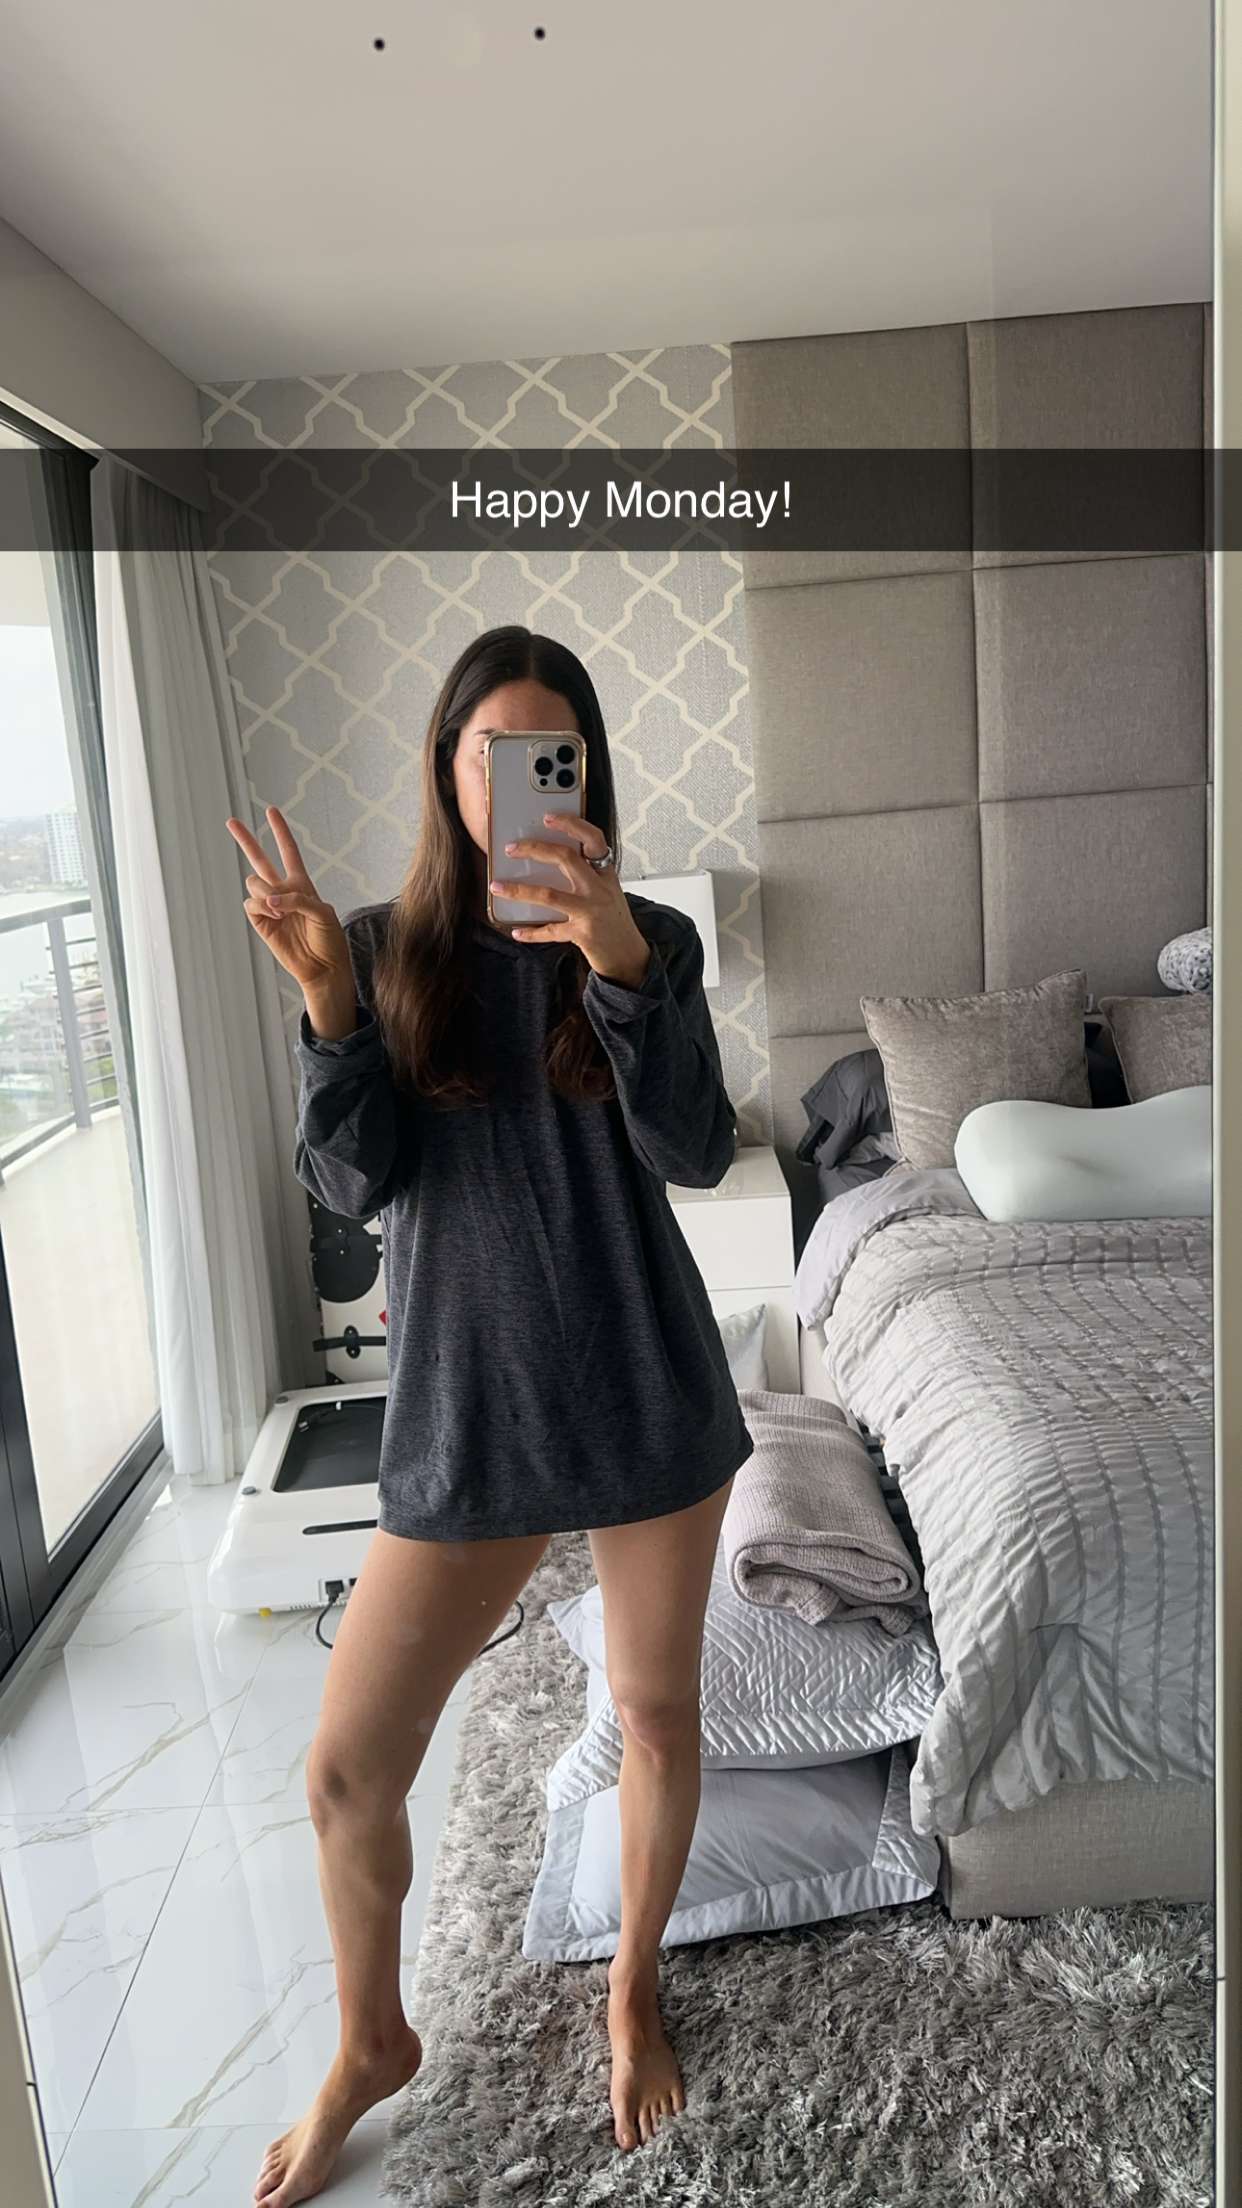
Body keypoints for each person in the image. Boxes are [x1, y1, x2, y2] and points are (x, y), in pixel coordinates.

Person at [226, 624, 754, 2207]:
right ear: (449, 773)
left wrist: (618, 964)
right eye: (493, 754)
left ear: (585, 772)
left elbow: (695, 1152)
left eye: (552, 755)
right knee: (344, 1772)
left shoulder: (649, 937)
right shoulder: (380, 948)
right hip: (471, 1405)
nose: (524, 781)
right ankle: (369, 2042)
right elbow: (352, 1184)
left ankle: (630, 1987)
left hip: (645, 1385)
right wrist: (329, 1004)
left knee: (655, 1719)